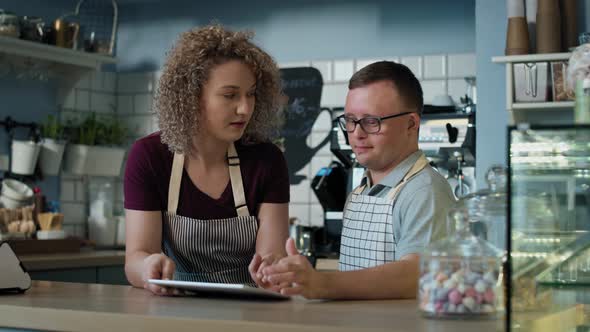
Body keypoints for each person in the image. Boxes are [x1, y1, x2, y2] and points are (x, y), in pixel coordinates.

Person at [261, 61, 455, 300]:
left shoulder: (424, 190)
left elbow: (418, 274)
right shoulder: (360, 191)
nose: (356, 133)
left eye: (372, 121)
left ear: (411, 124)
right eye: (351, 120)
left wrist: (322, 282)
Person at [124, 24, 290, 295]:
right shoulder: (150, 156)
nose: (245, 108)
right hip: (174, 305)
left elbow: (272, 252)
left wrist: (272, 267)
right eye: (230, 95)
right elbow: (135, 258)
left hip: (250, 308)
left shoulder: (267, 160)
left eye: (251, 94)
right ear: (191, 97)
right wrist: (148, 267)